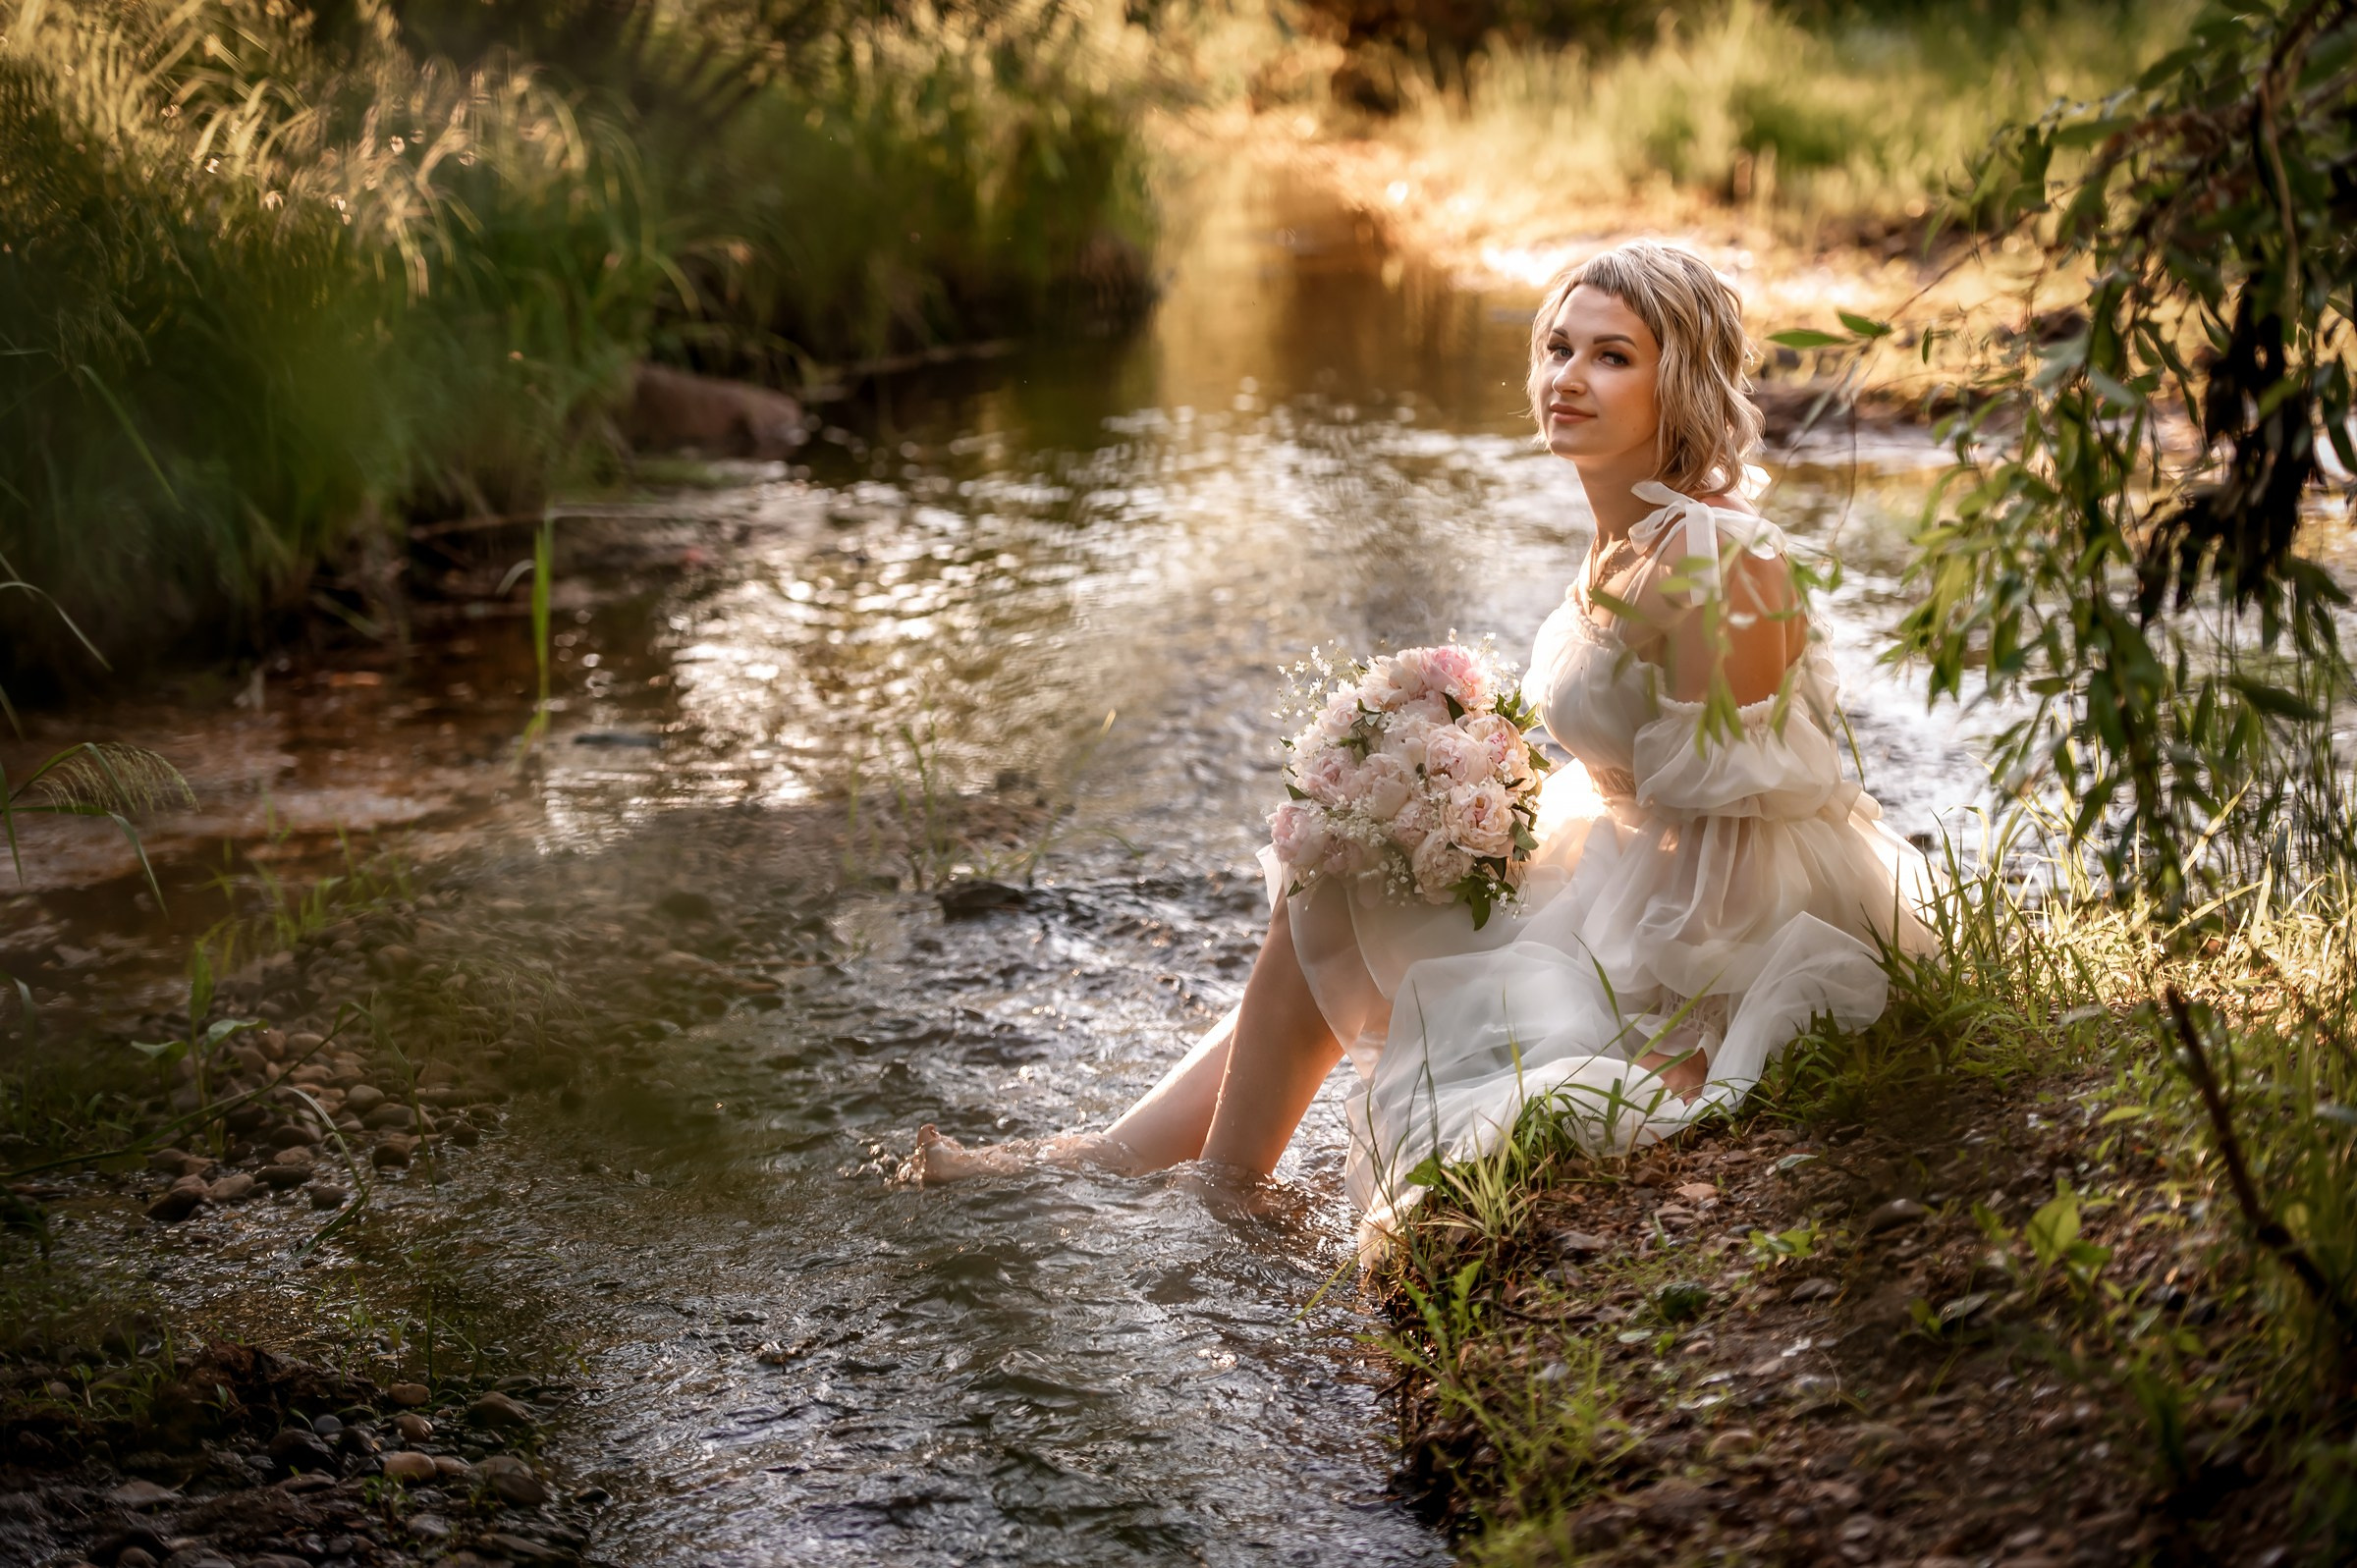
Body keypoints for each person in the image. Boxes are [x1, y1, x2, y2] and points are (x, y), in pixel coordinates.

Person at [909, 242, 1937, 1245]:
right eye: (1558, 348)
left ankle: (1192, 1189)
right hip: (1629, 869)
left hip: (1690, 934)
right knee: (1341, 865)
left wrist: (1682, 1040)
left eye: (1612, 355)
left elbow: (1744, 835)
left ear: (1683, 386)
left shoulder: (1718, 556)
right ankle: (1151, 1164)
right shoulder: (1626, 533)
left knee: (1347, 888)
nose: (1567, 378)